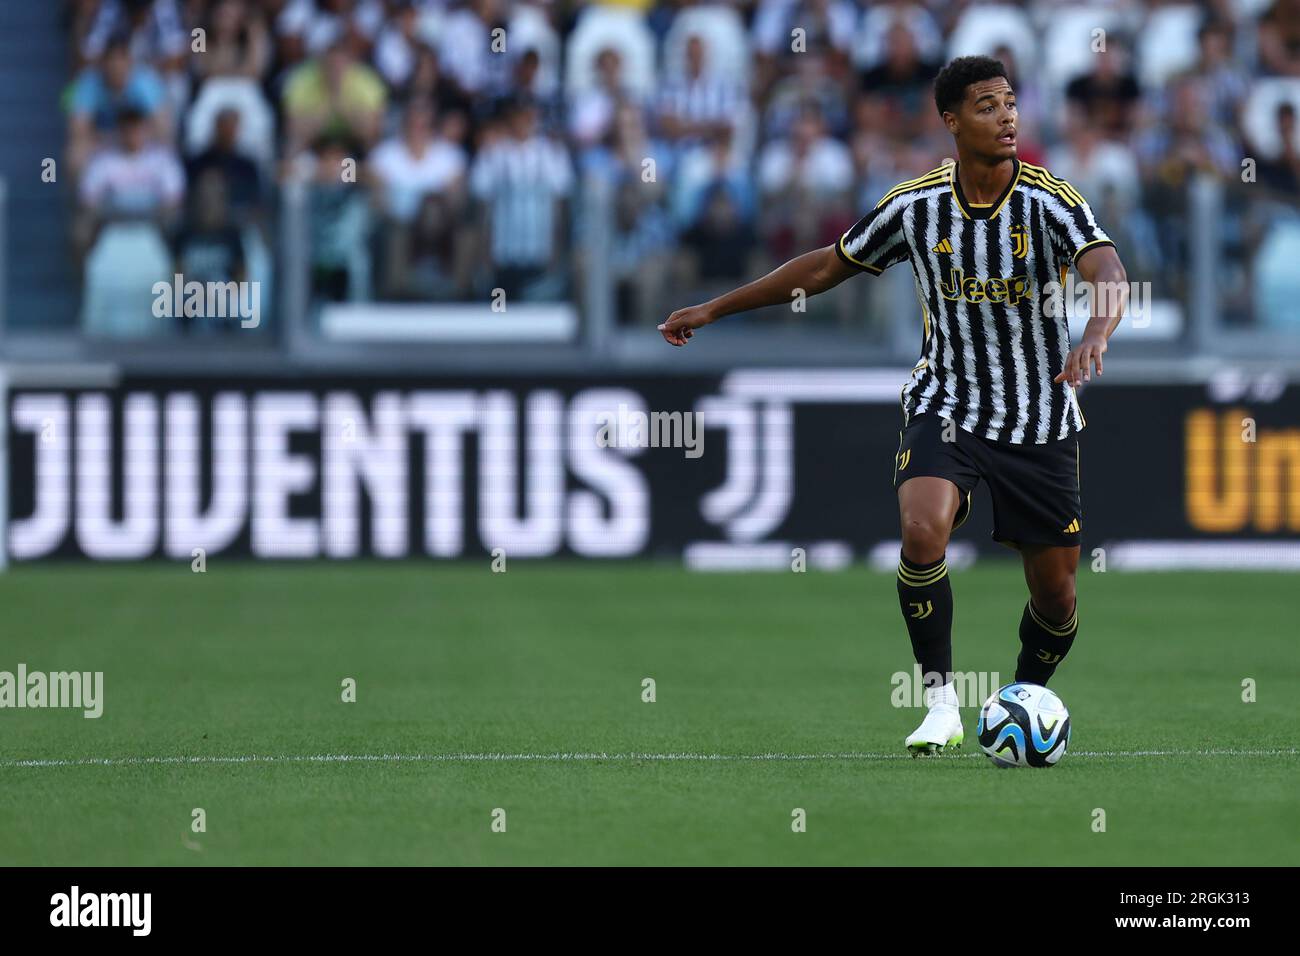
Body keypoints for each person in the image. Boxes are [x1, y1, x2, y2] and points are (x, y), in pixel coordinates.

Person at [658, 56, 1129, 756]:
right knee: (922, 531)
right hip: (948, 401)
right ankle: (939, 701)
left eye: (1010, 104)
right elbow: (824, 266)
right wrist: (716, 307)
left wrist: (1096, 329)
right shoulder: (916, 206)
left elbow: (1107, 269)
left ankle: (1021, 699)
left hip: (1040, 414)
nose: (1006, 117)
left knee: (1057, 598)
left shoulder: (1049, 200)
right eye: (986, 105)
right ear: (950, 120)